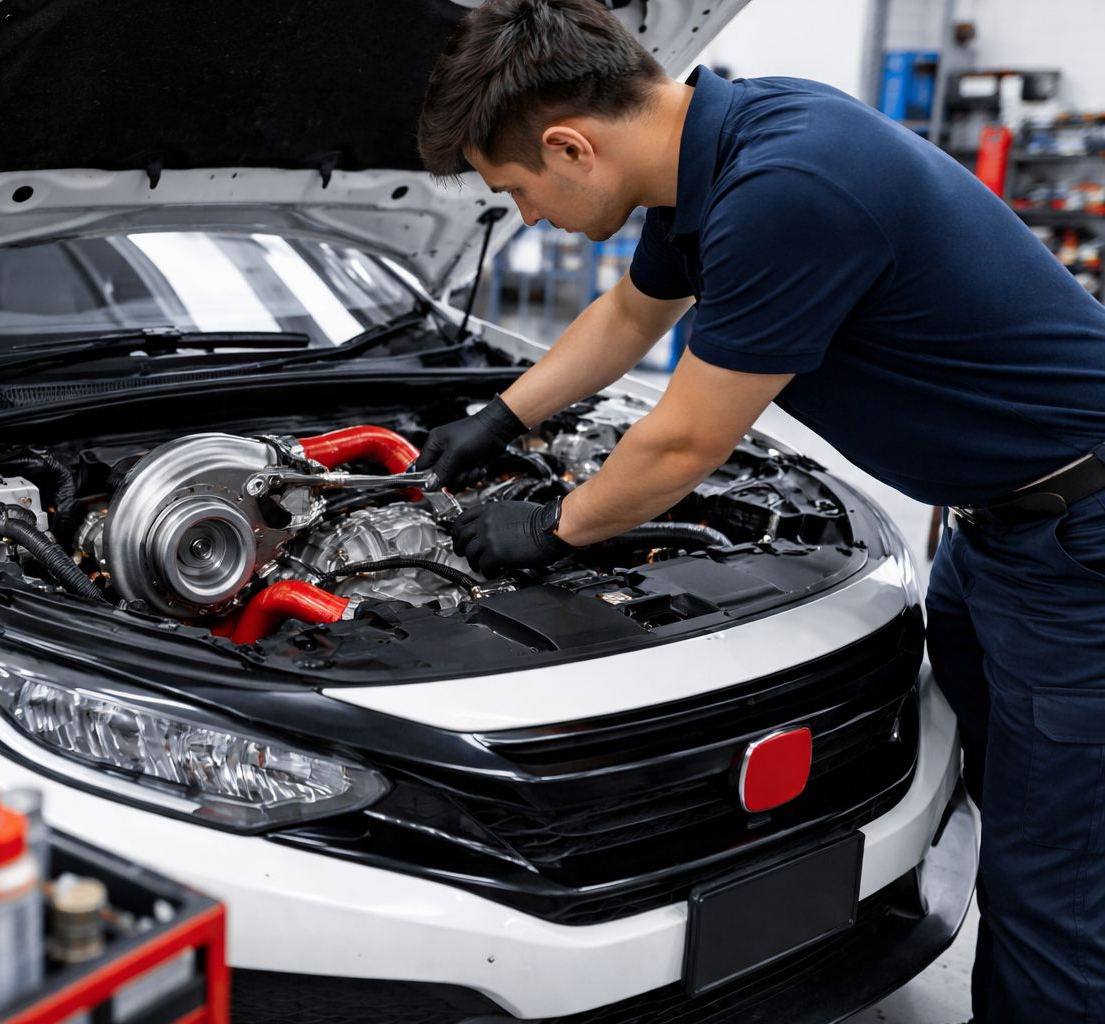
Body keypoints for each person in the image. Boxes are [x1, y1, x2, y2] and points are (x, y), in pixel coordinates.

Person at [413, 1, 1105, 1021]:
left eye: (517, 190)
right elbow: (628, 314)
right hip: (1000, 529)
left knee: (1052, 879)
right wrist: (501, 416)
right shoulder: (725, 149)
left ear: (571, 145)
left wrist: (551, 528)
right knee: (1019, 808)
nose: (527, 216)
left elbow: (686, 444)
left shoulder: (785, 189)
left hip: (1079, 546)